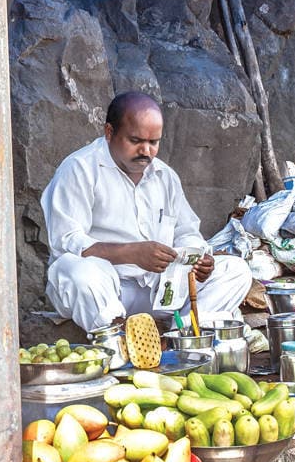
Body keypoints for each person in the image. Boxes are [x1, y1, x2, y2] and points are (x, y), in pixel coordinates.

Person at [40, 91, 252, 333]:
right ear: (110, 133)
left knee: (235, 271)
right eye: (136, 141)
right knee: (78, 272)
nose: (146, 151)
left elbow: (186, 231)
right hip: (106, 291)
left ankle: (182, 338)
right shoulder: (79, 169)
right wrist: (130, 253)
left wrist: (199, 259)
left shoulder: (165, 176)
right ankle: (116, 341)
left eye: (154, 143)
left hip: (158, 292)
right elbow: (66, 241)